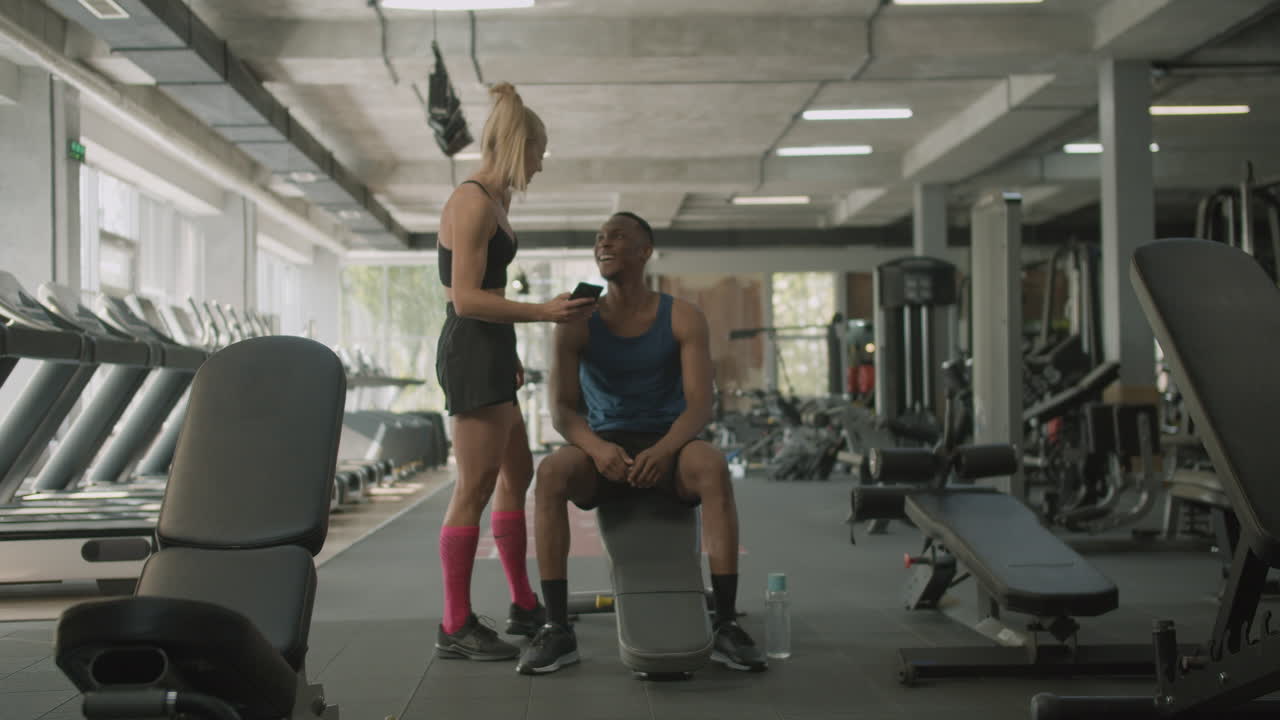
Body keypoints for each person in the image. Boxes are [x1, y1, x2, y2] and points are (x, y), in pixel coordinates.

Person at [517, 212, 769, 675]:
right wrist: (596, 449)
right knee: (550, 473)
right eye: (598, 238)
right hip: (604, 445)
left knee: (712, 466)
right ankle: (556, 628)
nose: (604, 243)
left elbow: (699, 407)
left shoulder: (683, 316)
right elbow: (563, 412)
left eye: (617, 236)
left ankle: (727, 622)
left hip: (668, 442)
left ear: (644, 251)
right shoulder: (577, 317)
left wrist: (665, 450)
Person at [433, 82, 597, 661]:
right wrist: (542, 312)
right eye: (538, 152)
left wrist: (513, 351)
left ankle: (524, 602)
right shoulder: (474, 200)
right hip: (473, 349)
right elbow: (465, 300)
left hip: (493, 351)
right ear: (517, 145)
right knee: (474, 488)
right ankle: (454, 623)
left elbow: (488, 297)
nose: (540, 164)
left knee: (516, 476)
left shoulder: (495, 202)